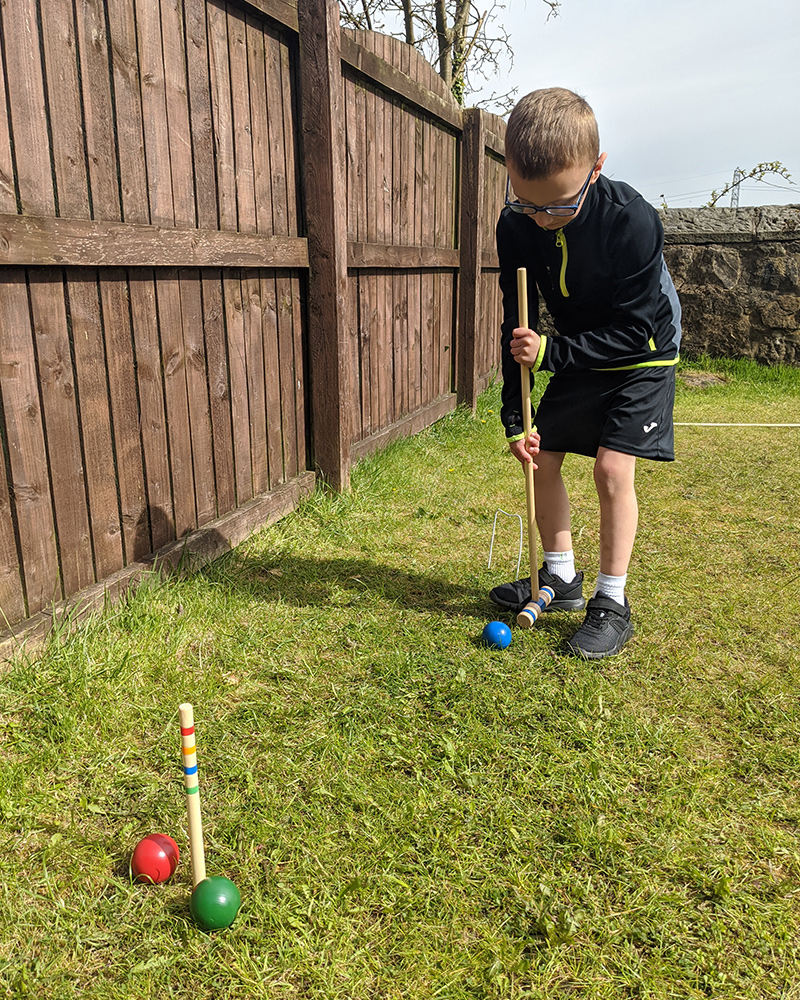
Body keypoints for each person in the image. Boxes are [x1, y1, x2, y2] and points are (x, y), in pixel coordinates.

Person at [489, 87, 681, 658]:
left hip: (643, 351)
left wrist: (550, 353)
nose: (543, 220)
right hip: (573, 346)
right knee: (541, 456)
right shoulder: (517, 224)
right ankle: (562, 578)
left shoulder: (633, 221)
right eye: (527, 203)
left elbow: (634, 331)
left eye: (559, 206)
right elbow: (515, 320)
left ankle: (612, 602)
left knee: (611, 469)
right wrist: (512, 415)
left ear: (597, 169)